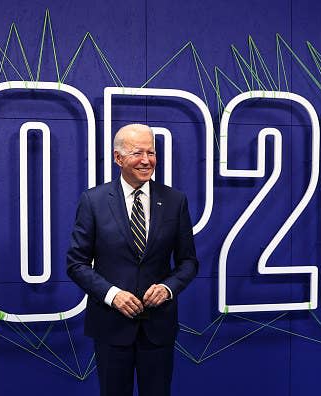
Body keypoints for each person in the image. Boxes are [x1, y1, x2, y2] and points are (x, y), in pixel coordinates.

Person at [66, 123, 198, 396]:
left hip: (158, 328)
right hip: (111, 327)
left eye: (151, 152)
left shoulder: (175, 201)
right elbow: (76, 263)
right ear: (118, 158)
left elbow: (188, 262)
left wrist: (167, 288)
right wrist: (113, 295)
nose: (147, 160)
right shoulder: (94, 201)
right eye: (138, 153)